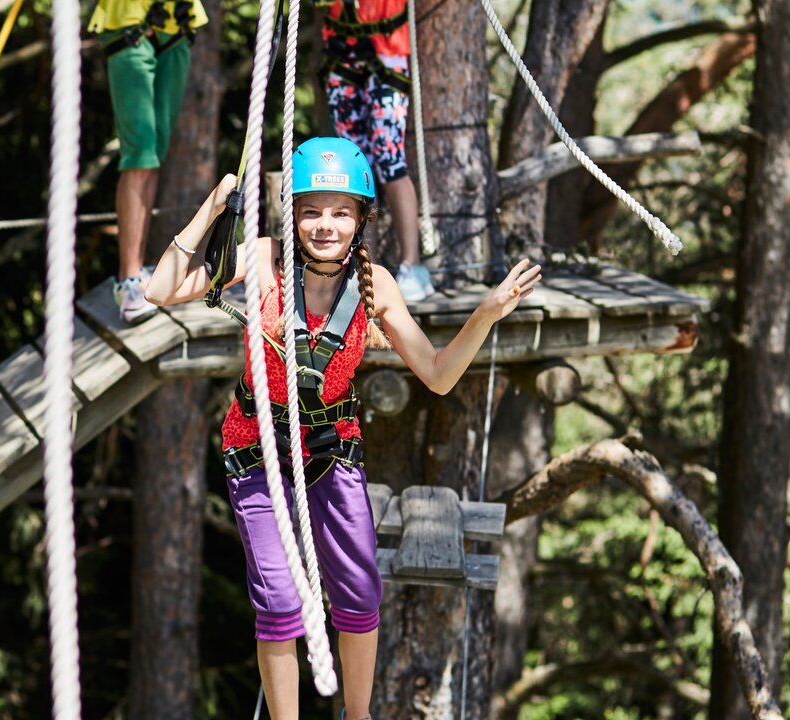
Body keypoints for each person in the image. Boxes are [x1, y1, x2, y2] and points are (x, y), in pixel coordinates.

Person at [142, 137, 540, 720]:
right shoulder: (263, 260)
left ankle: (359, 715)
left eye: (340, 211)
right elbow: (158, 290)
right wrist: (213, 208)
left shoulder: (375, 285)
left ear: (361, 218)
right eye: (311, 211)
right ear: (293, 214)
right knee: (280, 602)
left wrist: (484, 314)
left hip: (331, 450)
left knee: (359, 591)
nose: (325, 225)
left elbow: (437, 375)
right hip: (258, 450)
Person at [88, 0, 207, 323]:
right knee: (139, 156)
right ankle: (128, 280)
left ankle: (137, 271)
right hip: (129, 24)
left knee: (153, 157)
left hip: (177, 26)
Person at [321, 0, 434, 301]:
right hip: (342, 54)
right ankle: (364, 268)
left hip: (387, 52)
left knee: (389, 161)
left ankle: (412, 265)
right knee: (357, 166)